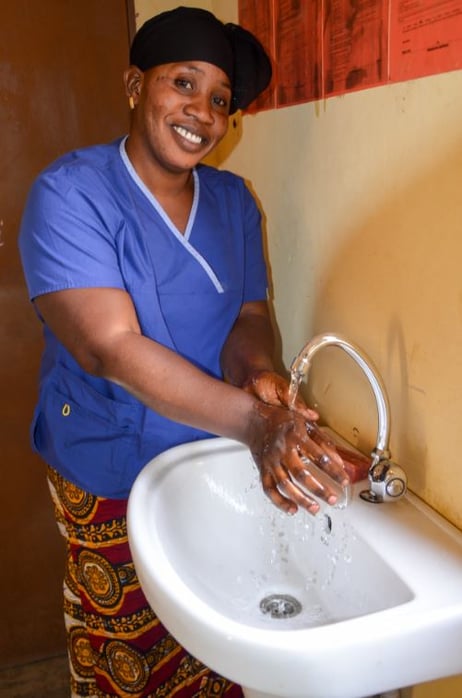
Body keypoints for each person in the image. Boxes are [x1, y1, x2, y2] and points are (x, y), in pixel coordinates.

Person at [19, 7, 348, 697]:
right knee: (128, 649)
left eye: (220, 100)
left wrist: (259, 374)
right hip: (110, 464)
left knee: (213, 629)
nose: (201, 111)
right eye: (183, 83)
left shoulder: (234, 201)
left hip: (210, 449)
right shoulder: (70, 193)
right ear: (137, 85)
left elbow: (249, 312)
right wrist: (255, 424)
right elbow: (108, 346)